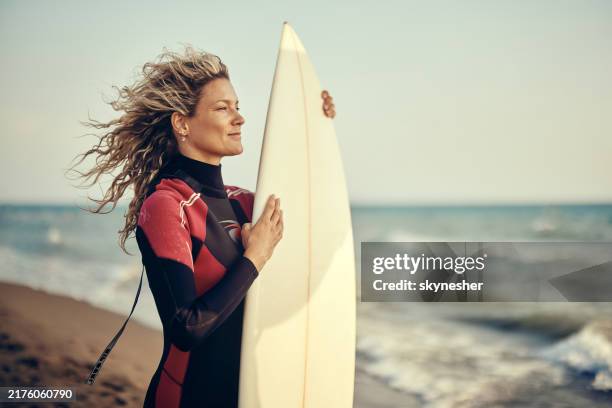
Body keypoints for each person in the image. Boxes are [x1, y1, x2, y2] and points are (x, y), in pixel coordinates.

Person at [68, 46, 335, 407]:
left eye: (238, 106)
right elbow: (186, 327)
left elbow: (319, 222)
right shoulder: (167, 206)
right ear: (182, 123)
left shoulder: (245, 203)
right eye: (223, 108)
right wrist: (254, 257)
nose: (239, 118)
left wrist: (320, 128)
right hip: (186, 397)